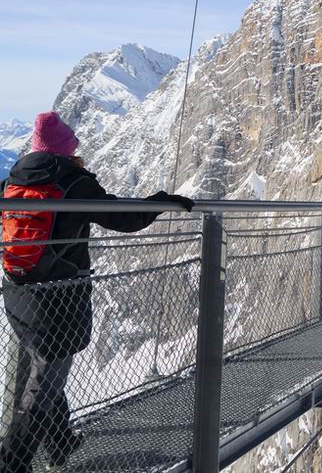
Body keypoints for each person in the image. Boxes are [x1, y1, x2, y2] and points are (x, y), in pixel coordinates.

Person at [0, 112, 193, 471]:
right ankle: (12, 463)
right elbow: (124, 219)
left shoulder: (11, 180)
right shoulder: (74, 183)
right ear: (66, 148)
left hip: (17, 292)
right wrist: (161, 201)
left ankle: (60, 444)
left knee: (48, 365)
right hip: (60, 296)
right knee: (46, 379)